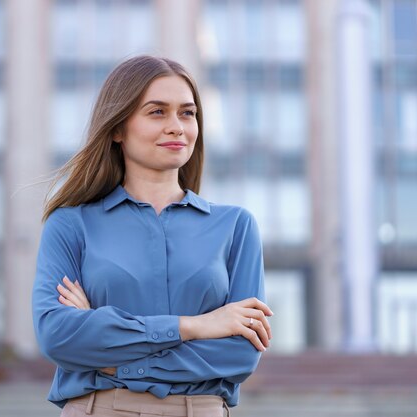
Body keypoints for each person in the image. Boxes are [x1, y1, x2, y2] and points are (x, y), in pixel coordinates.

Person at [32, 55, 273, 417]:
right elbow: (59, 335)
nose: (176, 126)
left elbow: (239, 353)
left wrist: (113, 360)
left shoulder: (236, 226)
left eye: (187, 113)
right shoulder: (71, 225)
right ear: (117, 128)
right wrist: (196, 326)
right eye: (157, 112)